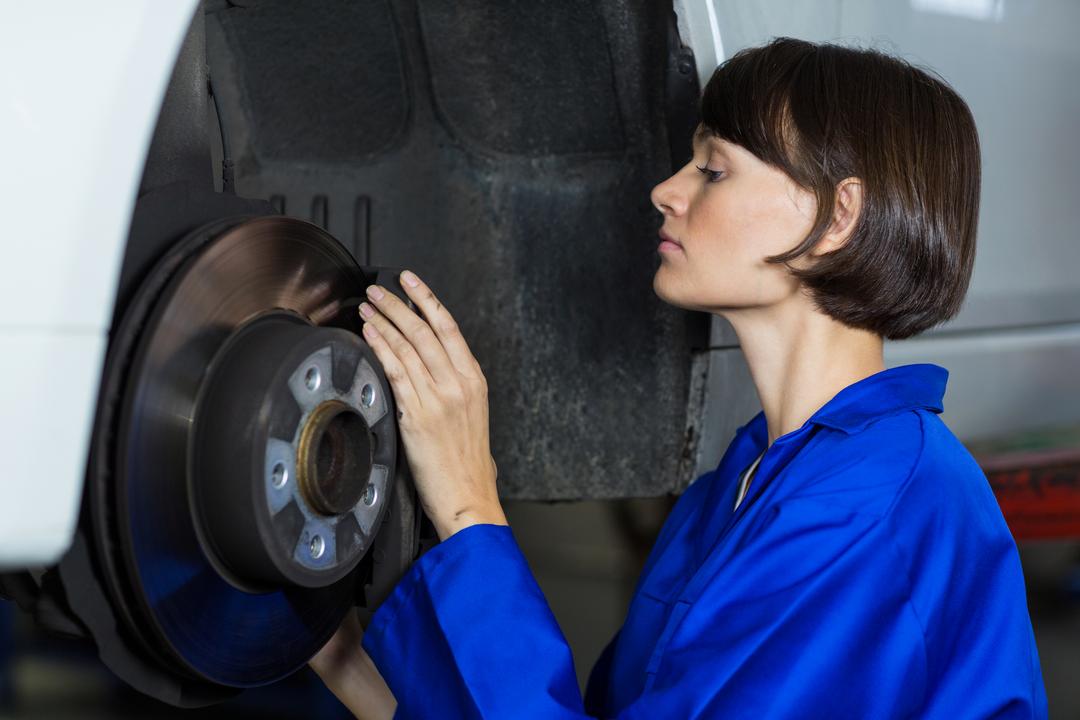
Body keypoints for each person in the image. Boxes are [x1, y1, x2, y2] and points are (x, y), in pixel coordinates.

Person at [310, 36, 1048, 718]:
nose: (667, 189)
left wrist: (470, 503)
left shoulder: (869, 511)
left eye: (714, 168)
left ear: (835, 218)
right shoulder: (740, 486)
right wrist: (340, 659)